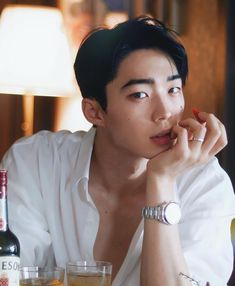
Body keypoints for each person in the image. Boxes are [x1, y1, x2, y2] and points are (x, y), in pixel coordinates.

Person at [0, 16, 235, 286]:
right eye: (140, 95)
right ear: (94, 111)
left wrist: (162, 181)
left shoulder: (205, 185)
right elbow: (11, 275)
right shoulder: (36, 162)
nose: (164, 113)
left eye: (173, 89)